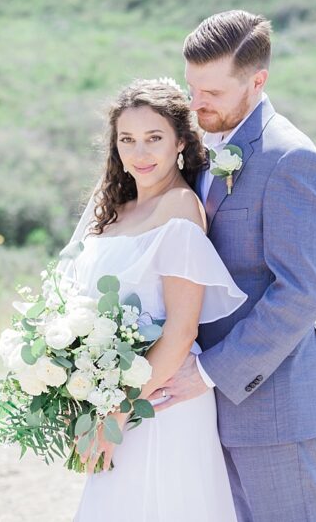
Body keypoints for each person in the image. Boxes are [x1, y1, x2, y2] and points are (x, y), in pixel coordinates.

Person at [150, 10, 316, 522]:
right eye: (191, 87)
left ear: (257, 81)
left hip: (274, 403)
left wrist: (207, 370)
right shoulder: (199, 144)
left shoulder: (292, 160)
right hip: (207, 406)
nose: (196, 104)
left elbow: (301, 294)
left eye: (213, 93)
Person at [70, 78, 246, 521]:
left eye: (154, 138)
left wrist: (116, 414)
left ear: (181, 143)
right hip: (113, 398)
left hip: (160, 402)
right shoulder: (113, 209)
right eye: (127, 139)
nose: (140, 153)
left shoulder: (181, 208)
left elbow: (182, 332)